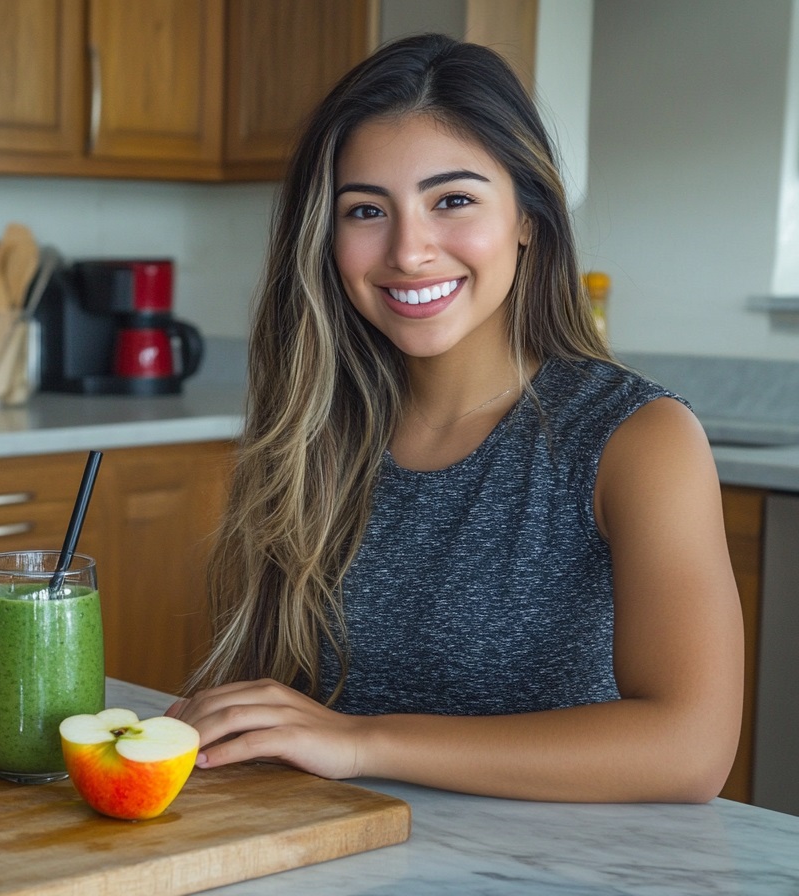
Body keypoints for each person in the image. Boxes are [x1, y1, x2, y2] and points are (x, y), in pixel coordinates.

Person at [167, 33, 742, 804]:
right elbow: (286, 716)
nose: (409, 251)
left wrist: (361, 739)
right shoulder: (312, 434)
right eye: (366, 210)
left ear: (528, 218)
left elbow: (691, 749)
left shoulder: (637, 439)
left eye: (454, 201)